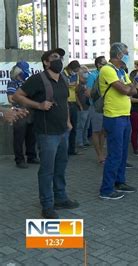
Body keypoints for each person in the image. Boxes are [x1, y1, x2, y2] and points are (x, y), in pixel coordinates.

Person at [13, 48, 79, 219]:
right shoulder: (37, 79)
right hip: (47, 133)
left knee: (60, 167)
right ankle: (47, 205)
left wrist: (68, 121)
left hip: (63, 131)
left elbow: (64, 102)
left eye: (61, 57)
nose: (59, 59)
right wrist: (39, 105)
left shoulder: (63, 79)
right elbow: (17, 96)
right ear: (46, 62)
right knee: (47, 170)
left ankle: (61, 198)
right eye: (55, 57)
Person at [99, 42, 138, 200]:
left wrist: (129, 87)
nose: (128, 55)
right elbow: (124, 89)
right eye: (126, 52)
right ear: (118, 54)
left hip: (124, 115)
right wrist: (128, 87)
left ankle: (119, 181)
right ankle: (106, 189)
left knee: (122, 153)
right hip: (113, 116)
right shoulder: (107, 69)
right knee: (115, 154)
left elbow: (133, 90)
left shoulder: (121, 71)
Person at [7, 61, 38, 169]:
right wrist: (25, 100)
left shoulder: (26, 82)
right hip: (19, 114)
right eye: (24, 72)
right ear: (19, 72)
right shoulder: (13, 83)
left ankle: (31, 156)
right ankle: (19, 160)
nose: (26, 74)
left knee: (31, 137)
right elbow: (11, 98)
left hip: (30, 112)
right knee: (19, 138)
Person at [86, 56, 107, 164]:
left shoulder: (106, 73)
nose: (107, 64)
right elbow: (88, 93)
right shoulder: (92, 76)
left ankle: (102, 152)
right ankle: (99, 155)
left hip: (106, 107)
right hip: (96, 107)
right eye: (104, 62)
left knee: (103, 131)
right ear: (99, 65)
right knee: (96, 131)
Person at [63, 60, 81, 155]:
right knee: (67, 127)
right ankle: (64, 149)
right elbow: (62, 86)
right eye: (75, 70)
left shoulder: (76, 75)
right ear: (70, 68)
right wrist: (70, 85)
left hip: (73, 102)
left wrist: (77, 86)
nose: (76, 72)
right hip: (65, 101)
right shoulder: (63, 74)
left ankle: (72, 149)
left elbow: (76, 88)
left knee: (74, 126)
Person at [75, 65, 91, 149]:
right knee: (80, 126)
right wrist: (80, 105)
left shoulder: (87, 83)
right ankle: (79, 142)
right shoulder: (78, 84)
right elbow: (76, 96)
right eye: (85, 72)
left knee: (86, 126)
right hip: (81, 108)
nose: (86, 74)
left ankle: (85, 140)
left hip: (88, 107)